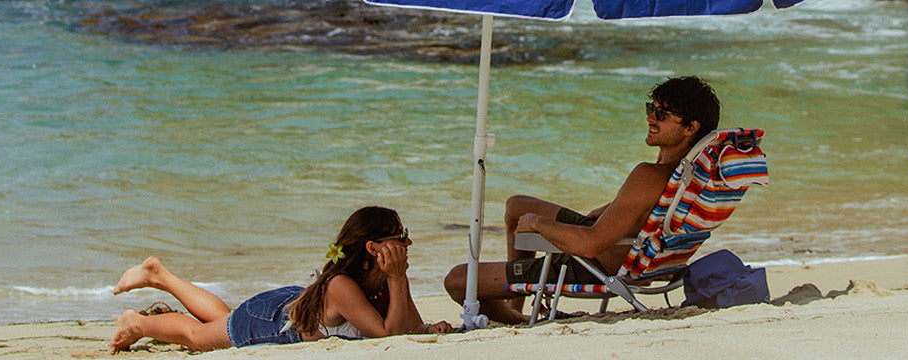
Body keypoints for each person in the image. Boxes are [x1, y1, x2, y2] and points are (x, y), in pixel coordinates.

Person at [443, 76, 720, 325]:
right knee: (517, 205)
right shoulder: (691, 175)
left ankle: (516, 315)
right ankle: (516, 302)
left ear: (690, 127)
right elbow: (635, 215)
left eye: (661, 114)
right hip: (635, 254)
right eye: (651, 109)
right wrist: (608, 211)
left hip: (596, 265)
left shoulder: (648, 175)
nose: (650, 118)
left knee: (457, 280)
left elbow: (589, 245)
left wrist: (538, 224)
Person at [109, 206, 451, 353]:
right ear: (373, 247)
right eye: (400, 235)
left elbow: (409, 326)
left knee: (222, 317)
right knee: (198, 336)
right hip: (272, 321)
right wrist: (398, 276)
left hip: (290, 305)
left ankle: (160, 276)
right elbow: (387, 336)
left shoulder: (380, 284)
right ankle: (137, 323)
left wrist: (428, 329)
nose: (408, 242)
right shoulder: (342, 286)